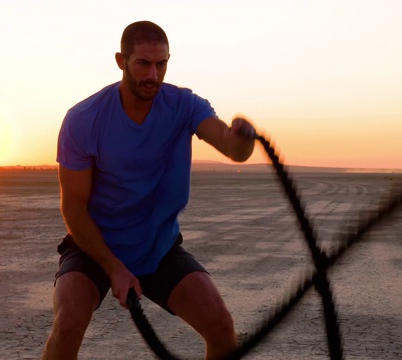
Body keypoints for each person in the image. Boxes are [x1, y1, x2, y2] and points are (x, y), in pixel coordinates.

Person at [42, 20, 255, 360]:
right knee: (68, 325)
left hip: (157, 247)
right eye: (143, 63)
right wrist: (113, 267)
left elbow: (232, 149)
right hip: (93, 248)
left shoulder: (185, 105)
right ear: (120, 60)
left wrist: (243, 139)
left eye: (161, 64)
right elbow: (74, 209)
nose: (153, 75)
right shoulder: (84, 119)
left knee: (221, 327)